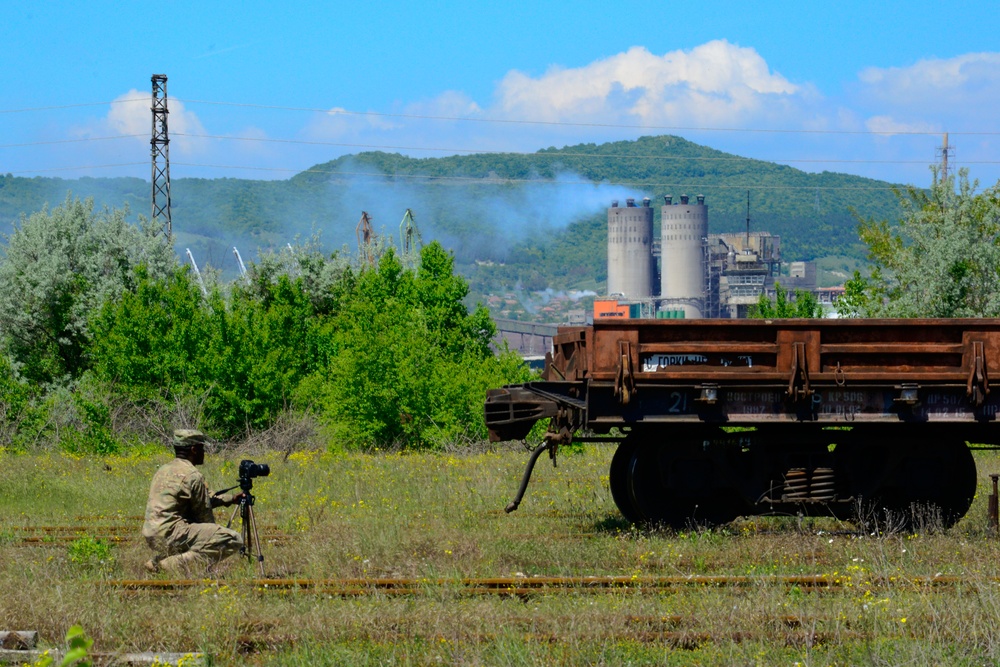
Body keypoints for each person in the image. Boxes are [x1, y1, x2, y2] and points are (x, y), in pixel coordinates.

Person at [142, 429, 245, 574]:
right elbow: (204, 515)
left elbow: (197, 497)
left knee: (192, 530)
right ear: (194, 450)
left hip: (152, 533)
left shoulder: (163, 470)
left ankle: (156, 562)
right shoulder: (193, 475)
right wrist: (213, 539)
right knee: (232, 539)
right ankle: (170, 564)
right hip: (171, 533)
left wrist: (230, 498)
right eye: (202, 448)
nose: (204, 453)